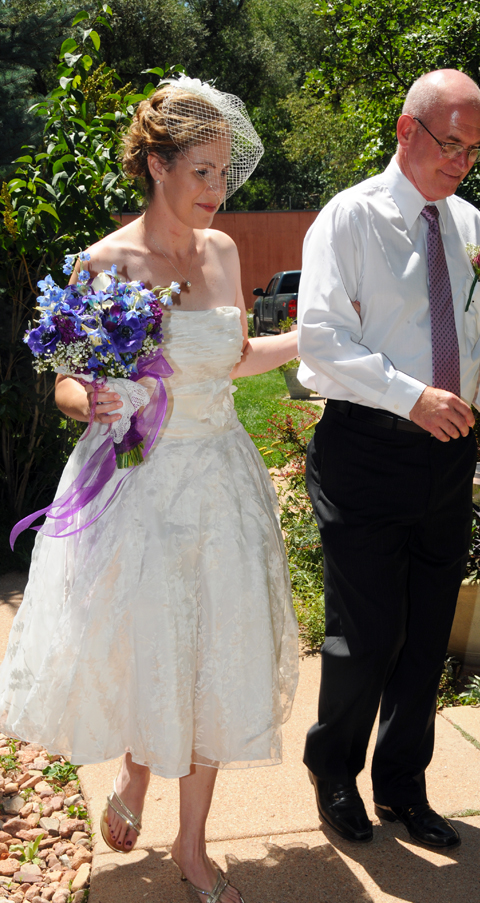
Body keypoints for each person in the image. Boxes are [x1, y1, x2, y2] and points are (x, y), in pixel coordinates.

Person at [0, 77, 299, 903]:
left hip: (223, 480)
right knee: (157, 649)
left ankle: (193, 846)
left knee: (220, 653)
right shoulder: (102, 262)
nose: (217, 191)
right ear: (159, 164)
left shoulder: (228, 253)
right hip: (141, 484)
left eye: (224, 173)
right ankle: (134, 773)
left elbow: (232, 359)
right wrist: (85, 398)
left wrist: (307, 339)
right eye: (202, 172)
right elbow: (64, 382)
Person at [297, 69, 480, 850]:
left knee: (427, 632)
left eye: (474, 150)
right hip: (365, 452)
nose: (462, 162)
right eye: (451, 143)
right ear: (407, 131)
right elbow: (321, 342)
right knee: (366, 633)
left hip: (447, 459)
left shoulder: (469, 223)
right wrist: (411, 397)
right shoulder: (349, 219)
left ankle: (402, 785)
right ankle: (334, 769)